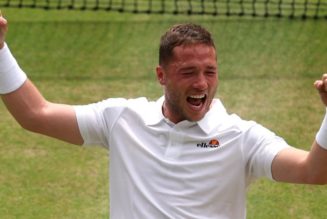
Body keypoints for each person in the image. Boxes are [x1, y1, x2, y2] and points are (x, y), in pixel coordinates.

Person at [0, 15, 327, 219]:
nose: (201, 83)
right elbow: (35, 114)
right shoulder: (121, 119)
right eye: (188, 72)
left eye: (209, 72)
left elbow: (314, 170)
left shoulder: (243, 138)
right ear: (161, 75)